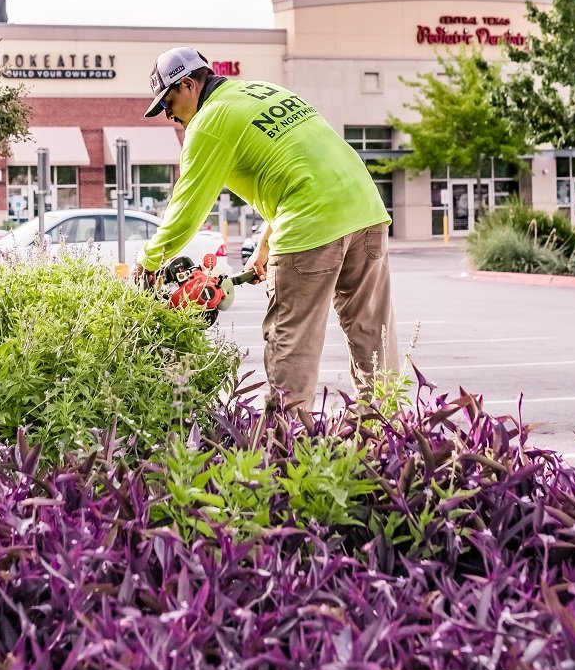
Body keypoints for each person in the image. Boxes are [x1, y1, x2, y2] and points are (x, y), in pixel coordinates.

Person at [136, 46, 397, 414]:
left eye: (168, 101)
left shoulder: (209, 121)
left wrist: (147, 262)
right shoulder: (263, 92)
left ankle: (287, 451)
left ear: (191, 84)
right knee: (374, 336)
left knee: (292, 343)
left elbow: (186, 210)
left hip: (310, 225)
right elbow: (304, 167)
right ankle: (387, 440)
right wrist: (263, 246)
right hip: (366, 212)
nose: (168, 114)